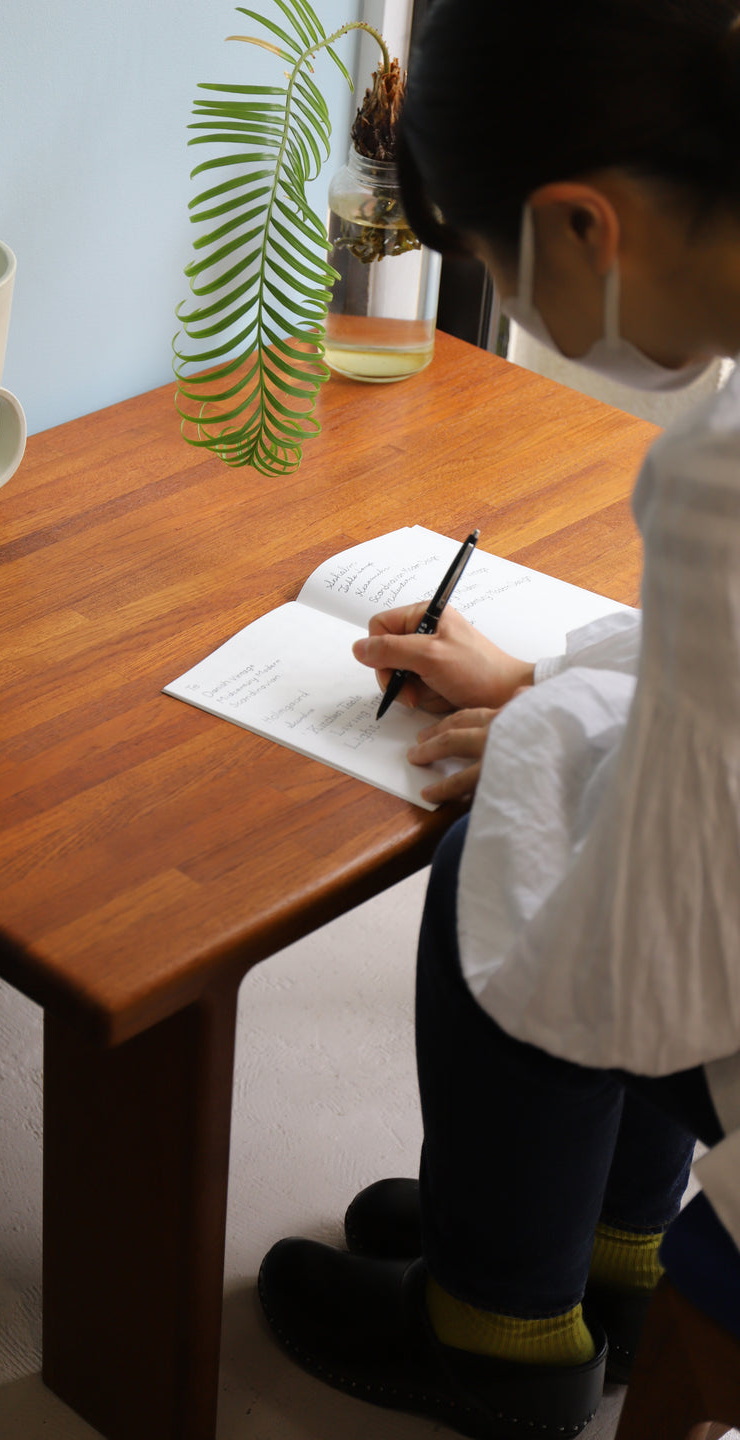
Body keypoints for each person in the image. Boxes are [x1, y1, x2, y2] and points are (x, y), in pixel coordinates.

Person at [256, 2, 740, 1436]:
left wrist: (545, 742)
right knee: (562, 757)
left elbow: (638, 963)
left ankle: (498, 1334)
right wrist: (550, 688)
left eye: (486, 269)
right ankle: (608, 1247)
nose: (510, 312)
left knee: (505, 844)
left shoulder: (715, 483)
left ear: (580, 225)